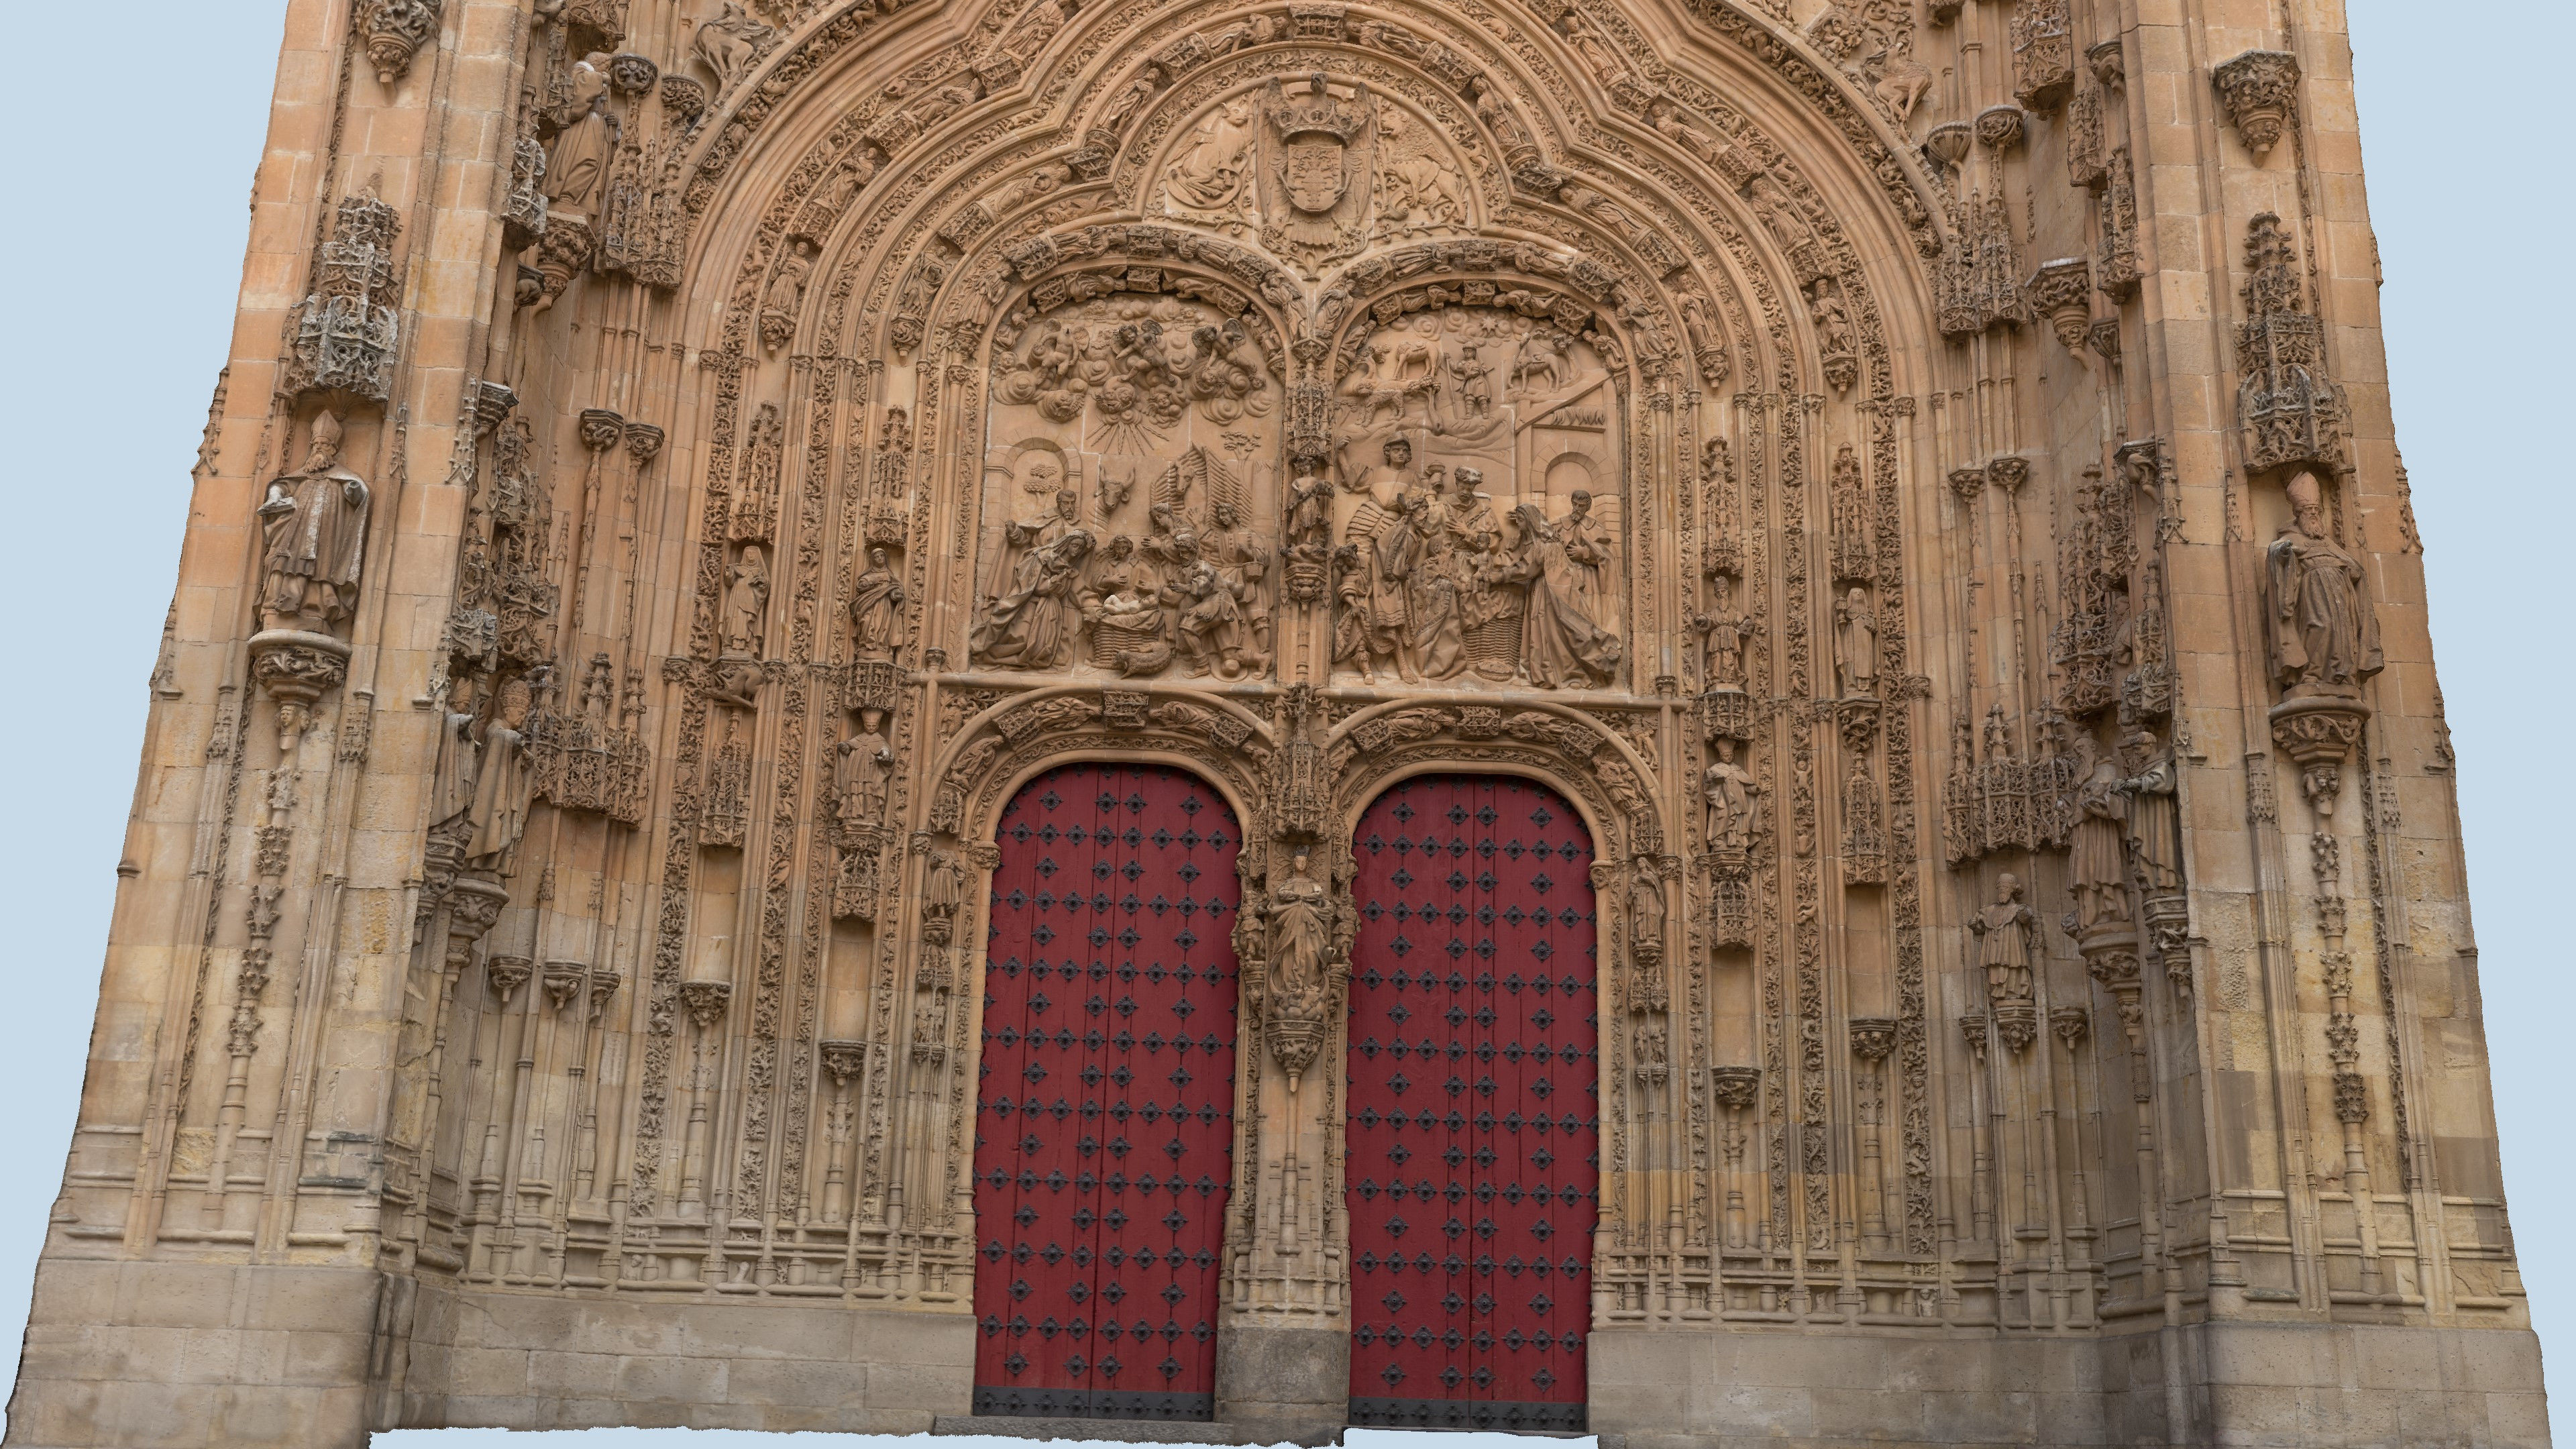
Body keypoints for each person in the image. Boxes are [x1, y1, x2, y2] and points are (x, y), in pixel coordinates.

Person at [2263, 470, 2382, 700]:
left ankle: (2342, 674)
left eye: (2317, 511)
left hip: (2340, 592)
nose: (2314, 515)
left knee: (2342, 631)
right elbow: (2276, 551)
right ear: (2299, 514)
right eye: (2309, 511)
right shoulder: (2290, 536)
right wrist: (2284, 552)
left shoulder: (2327, 542)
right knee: (2321, 626)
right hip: (2313, 592)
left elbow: (2354, 567)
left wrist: (2351, 571)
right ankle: (2311, 674)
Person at [259, 412, 372, 630]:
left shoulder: (343, 477)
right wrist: (275, 495)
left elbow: (357, 494)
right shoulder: (302, 475)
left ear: (333, 449)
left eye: (324, 445)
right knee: (285, 562)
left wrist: (355, 489)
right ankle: (278, 603)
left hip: (326, 535)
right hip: (295, 532)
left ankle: (318, 607)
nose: (319, 449)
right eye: (316, 444)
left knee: (322, 568)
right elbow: (283, 485)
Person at [1510, 504, 1621, 688]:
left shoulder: (1596, 529)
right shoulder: (1558, 527)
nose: (1578, 508)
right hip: (1551, 585)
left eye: (1582, 504)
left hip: (1578, 584)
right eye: (1575, 503)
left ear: (1588, 506)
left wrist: (1585, 553)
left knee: (1569, 627)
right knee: (1549, 630)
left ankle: (1573, 672)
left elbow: (1607, 556)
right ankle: (1552, 671)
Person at [848, 547, 904, 661]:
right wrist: (872, 581)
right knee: (866, 621)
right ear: (872, 560)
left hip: (885, 606)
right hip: (868, 604)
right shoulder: (867, 576)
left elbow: (897, 589)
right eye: (877, 557)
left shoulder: (890, 576)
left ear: (885, 558)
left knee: (884, 625)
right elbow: (860, 586)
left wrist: (895, 594)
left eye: (882, 556)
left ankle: (882, 647)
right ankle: (865, 645)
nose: (879, 558)